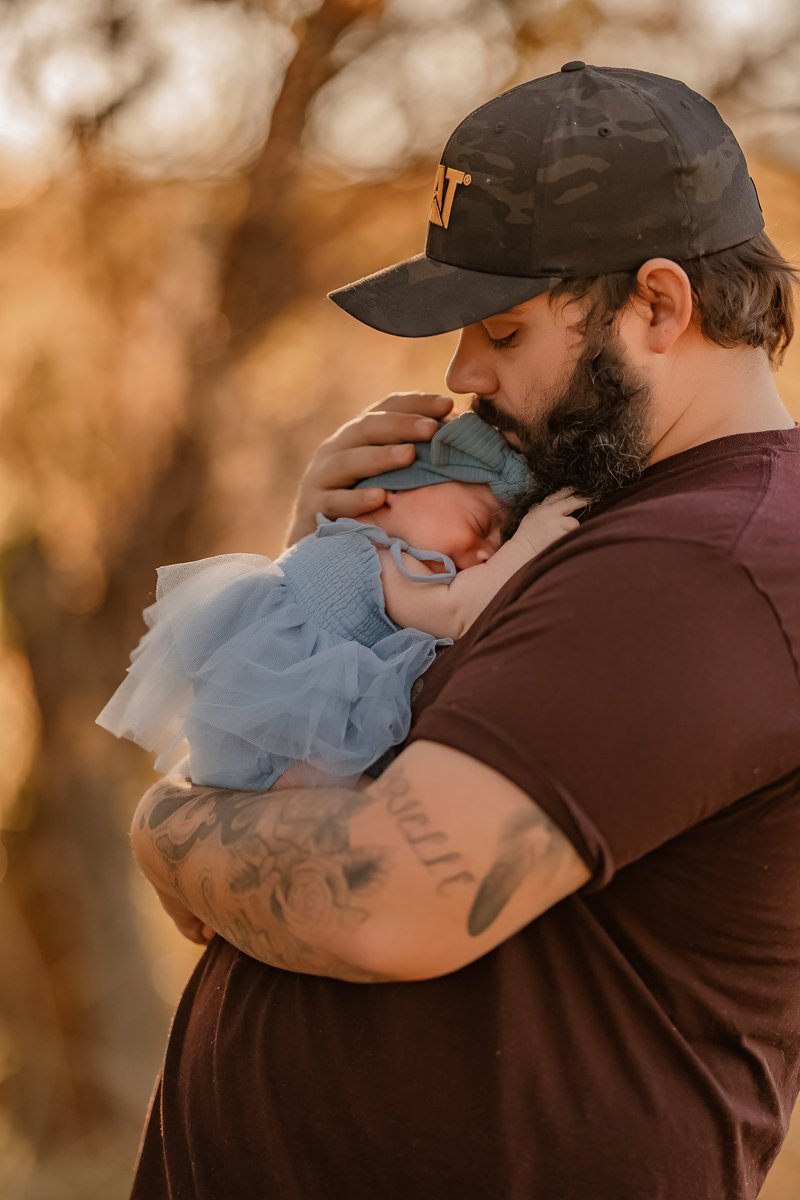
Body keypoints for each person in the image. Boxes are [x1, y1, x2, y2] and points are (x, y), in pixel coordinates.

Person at [124, 64, 800, 1200]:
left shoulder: (702, 563)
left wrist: (164, 827)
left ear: (659, 307)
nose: (458, 374)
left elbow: (387, 901)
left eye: (501, 328)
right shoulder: (590, 519)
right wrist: (329, 571)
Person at [97, 414, 581, 791]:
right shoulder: (384, 558)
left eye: (501, 539)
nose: (489, 551)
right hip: (287, 754)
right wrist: (528, 545)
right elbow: (457, 611)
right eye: (481, 525)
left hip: (258, 747)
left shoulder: (346, 542)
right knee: (361, 817)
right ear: (388, 495)